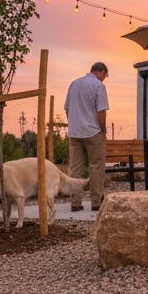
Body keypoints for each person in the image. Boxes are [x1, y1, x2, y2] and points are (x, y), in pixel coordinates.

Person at [65, 62, 110, 211]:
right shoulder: (98, 86)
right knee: (96, 167)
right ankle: (96, 202)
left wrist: (74, 124)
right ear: (102, 72)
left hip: (75, 132)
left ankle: (75, 202)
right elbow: (101, 111)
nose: (104, 78)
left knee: (75, 168)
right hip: (93, 132)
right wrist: (103, 130)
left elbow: (67, 108)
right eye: (105, 75)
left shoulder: (74, 84)